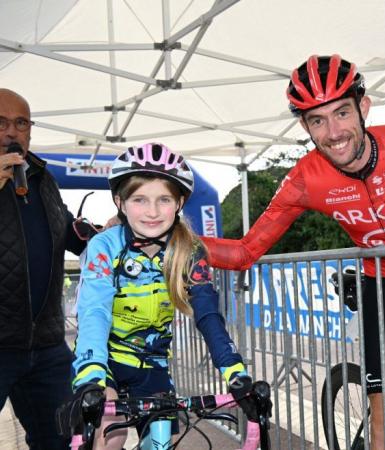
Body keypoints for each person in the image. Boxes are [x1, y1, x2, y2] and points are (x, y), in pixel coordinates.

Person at [200, 54, 385, 450]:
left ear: (363, 108)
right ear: (304, 126)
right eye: (317, 120)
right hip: (382, 285)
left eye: (341, 113)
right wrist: (173, 242)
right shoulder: (306, 179)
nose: (333, 132)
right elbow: (245, 251)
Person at [66, 143, 249, 449]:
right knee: (109, 435)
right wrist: (91, 373)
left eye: (163, 199)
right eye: (140, 199)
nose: (152, 212)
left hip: (152, 365)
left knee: (163, 441)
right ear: (120, 202)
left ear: (179, 203)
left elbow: (207, 314)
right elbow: (95, 311)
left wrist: (234, 370)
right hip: (105, 359)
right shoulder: (105, 246)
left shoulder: (189, 250)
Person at [0, 88, 87, 449]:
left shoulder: (40, 178)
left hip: (46, 345)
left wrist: (113, 233)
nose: (12, 132)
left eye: (21, 123)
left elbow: (66, 229)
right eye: (1, 123)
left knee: (62, 439)